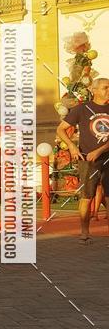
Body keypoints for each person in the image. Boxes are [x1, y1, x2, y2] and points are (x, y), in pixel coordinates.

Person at [56, 77, 109, 244]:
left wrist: (99, 150)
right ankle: (84, 232)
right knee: (87, 196)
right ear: (94, 90)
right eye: (105, 88)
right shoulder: (82, 109)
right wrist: (72, 146)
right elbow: (61, 129)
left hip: (106, 158)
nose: (108, 91)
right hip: (87, 160)